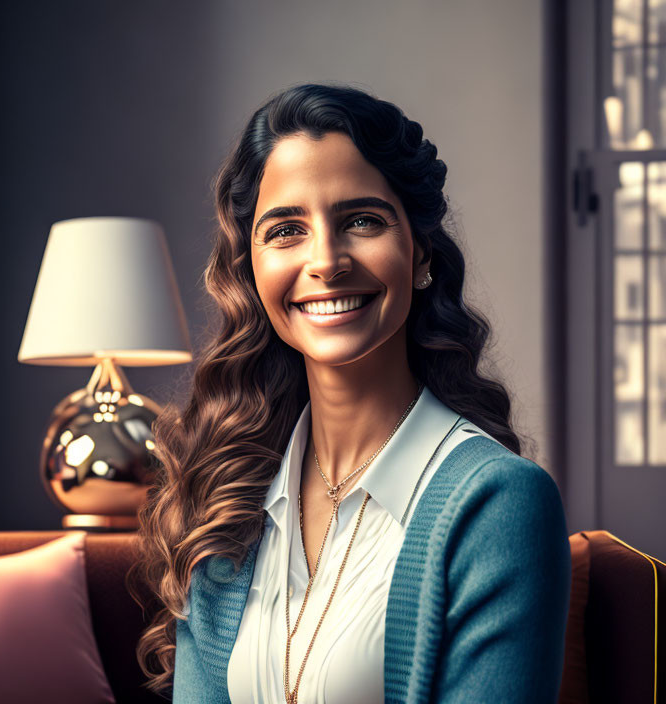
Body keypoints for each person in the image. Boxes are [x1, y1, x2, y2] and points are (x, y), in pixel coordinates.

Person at [132, 83, 571, 704]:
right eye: (286, 230)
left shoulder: (497, 505)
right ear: (251, 271)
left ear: (419, 253)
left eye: (361, 220)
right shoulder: (227, 492)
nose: (326, 260)